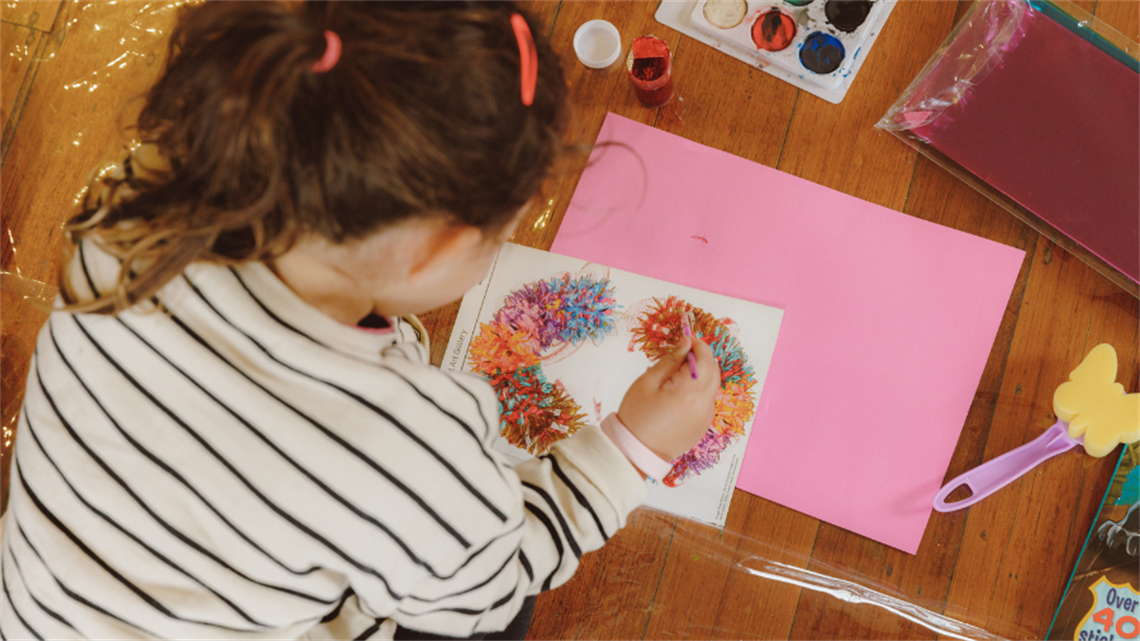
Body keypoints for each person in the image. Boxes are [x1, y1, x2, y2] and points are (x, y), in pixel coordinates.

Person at [0, 1, 720, 639]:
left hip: (38, 605)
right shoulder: (410, 445)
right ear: (438, 249)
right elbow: (494, 584)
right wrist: (631, 449)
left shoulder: (133, 215)